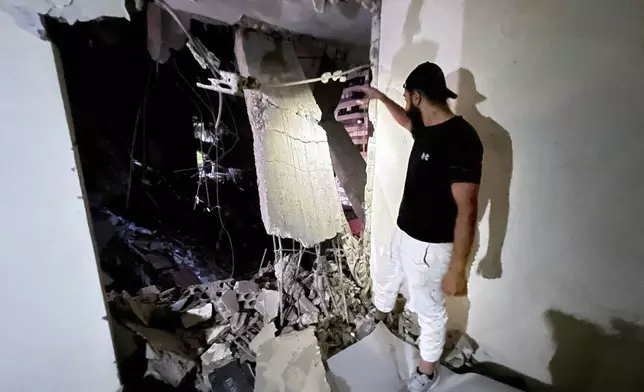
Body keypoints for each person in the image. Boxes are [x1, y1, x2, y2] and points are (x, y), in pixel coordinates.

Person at [358, 62, 483, 392]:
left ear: (417, 96)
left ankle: (426, 373)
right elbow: (407, 122)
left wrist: (458, 268)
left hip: (431, 247)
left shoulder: (461, 138)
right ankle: (380, 316)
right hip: (405, 231)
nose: (405, 104)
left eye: (405, 97)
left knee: (429, 311)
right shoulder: (426, 126)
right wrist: (381, 98)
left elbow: (467, 208)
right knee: (385, 273)